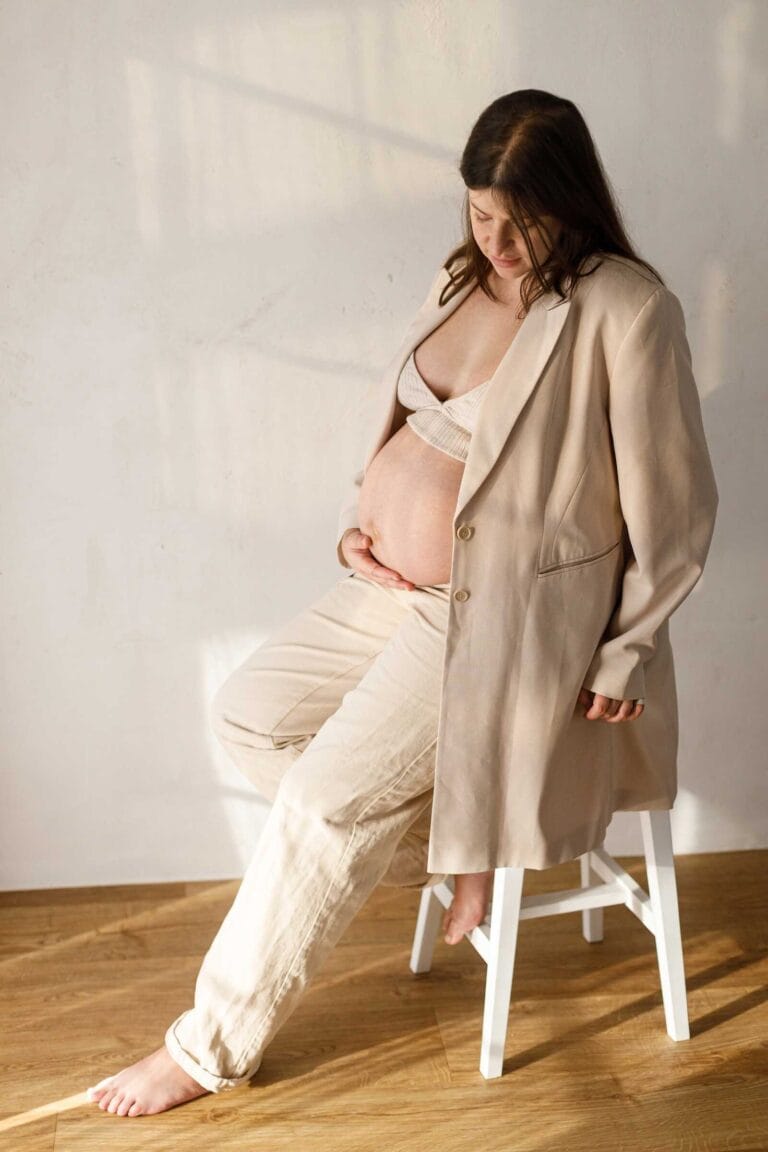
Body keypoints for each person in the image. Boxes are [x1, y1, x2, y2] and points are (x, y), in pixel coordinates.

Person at [85, 89, 718, 1117]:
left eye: (520, 221)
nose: (497, 242)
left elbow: (677, 510)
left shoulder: (627, 309)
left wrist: (627, 647)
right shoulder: (460, 277)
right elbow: (409, 426)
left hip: (491, 620)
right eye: (480, 213)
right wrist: (360, 519)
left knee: (326, 801)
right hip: (386, 587)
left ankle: (207, 1047)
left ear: (571, 200)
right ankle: (462, 851)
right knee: (248, 716)